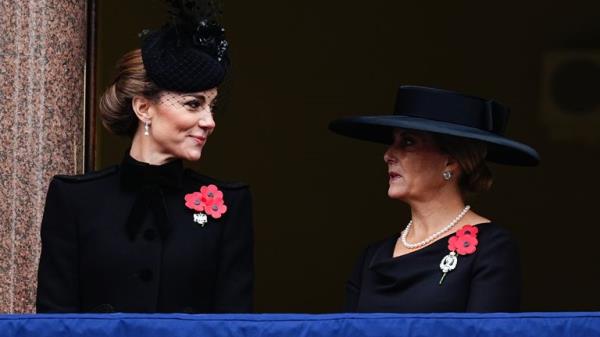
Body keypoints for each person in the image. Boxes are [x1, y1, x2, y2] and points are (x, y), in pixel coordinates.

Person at [36, 0, 253, 313]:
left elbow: (235, 327)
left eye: (211, 106)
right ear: (144, 108)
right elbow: (54, 324)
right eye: (194, 104)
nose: (209, 121)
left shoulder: (231, 205)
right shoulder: (74, 199)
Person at [329, 85, 539, 312]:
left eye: (408, 142)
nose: (388, 155)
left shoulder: (491, 248)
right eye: (392, 142)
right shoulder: (371, 257)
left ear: (451, 161)